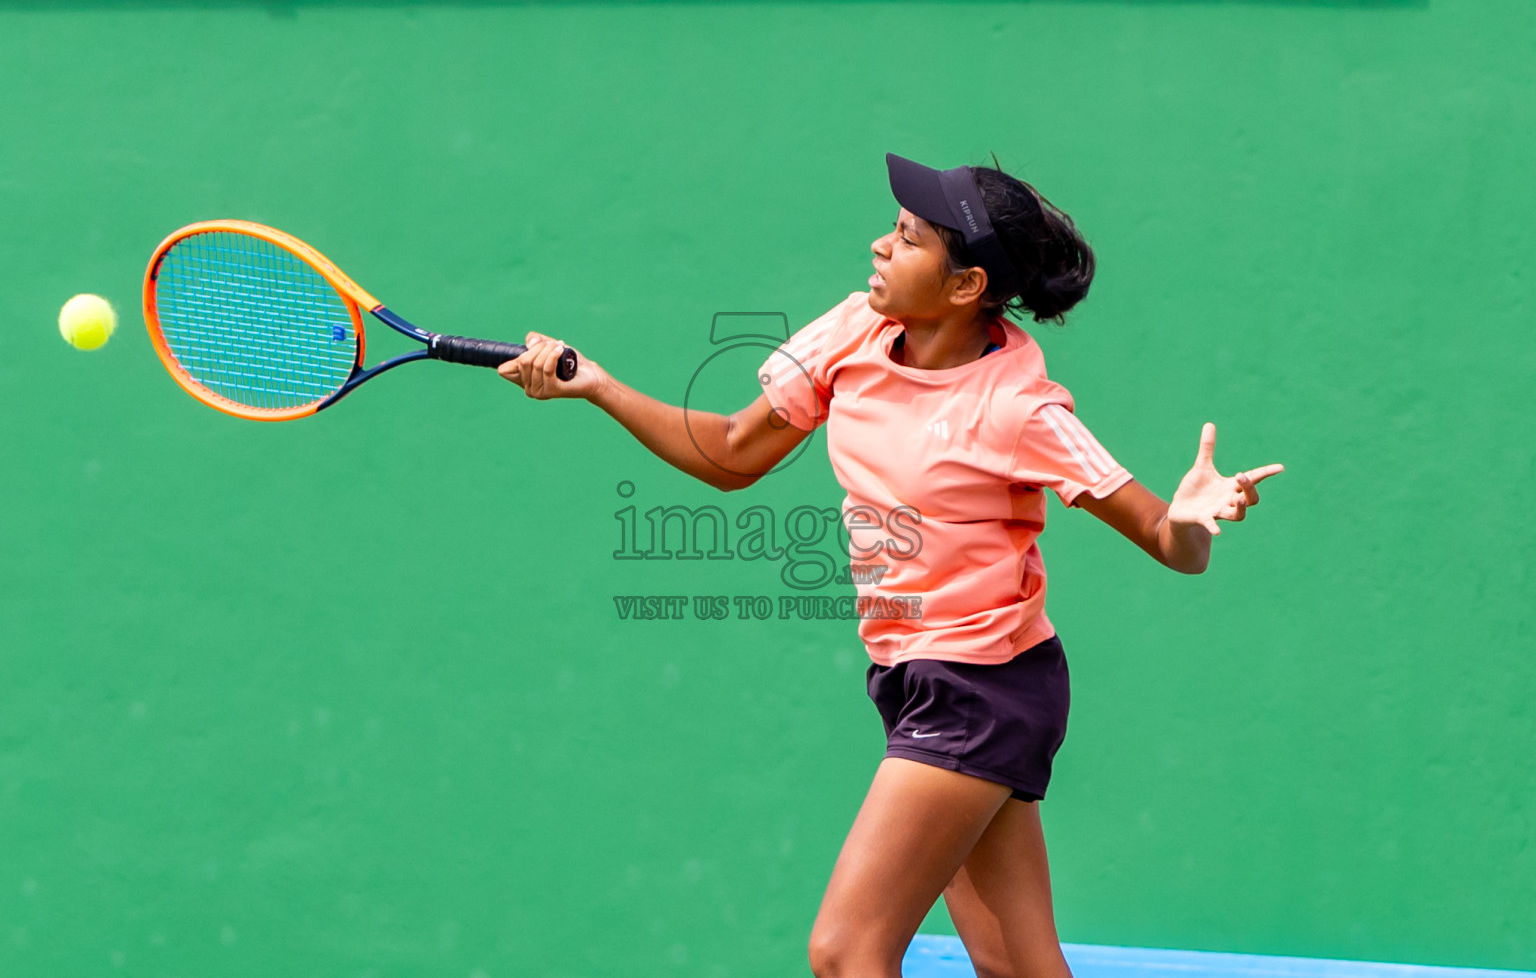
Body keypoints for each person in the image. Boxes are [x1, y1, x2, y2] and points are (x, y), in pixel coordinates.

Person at [498, 153, 1284, 978]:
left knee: (845, 953)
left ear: (964, 286)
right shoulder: (856, 333)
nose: (879, 245)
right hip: (913, 674)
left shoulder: (1017, 406)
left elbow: (1167, 538)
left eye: (907, 239)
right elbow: (733, 452)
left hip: (983, 687)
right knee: (1016, 965)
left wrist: (1194, 518)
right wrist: (596, 385)